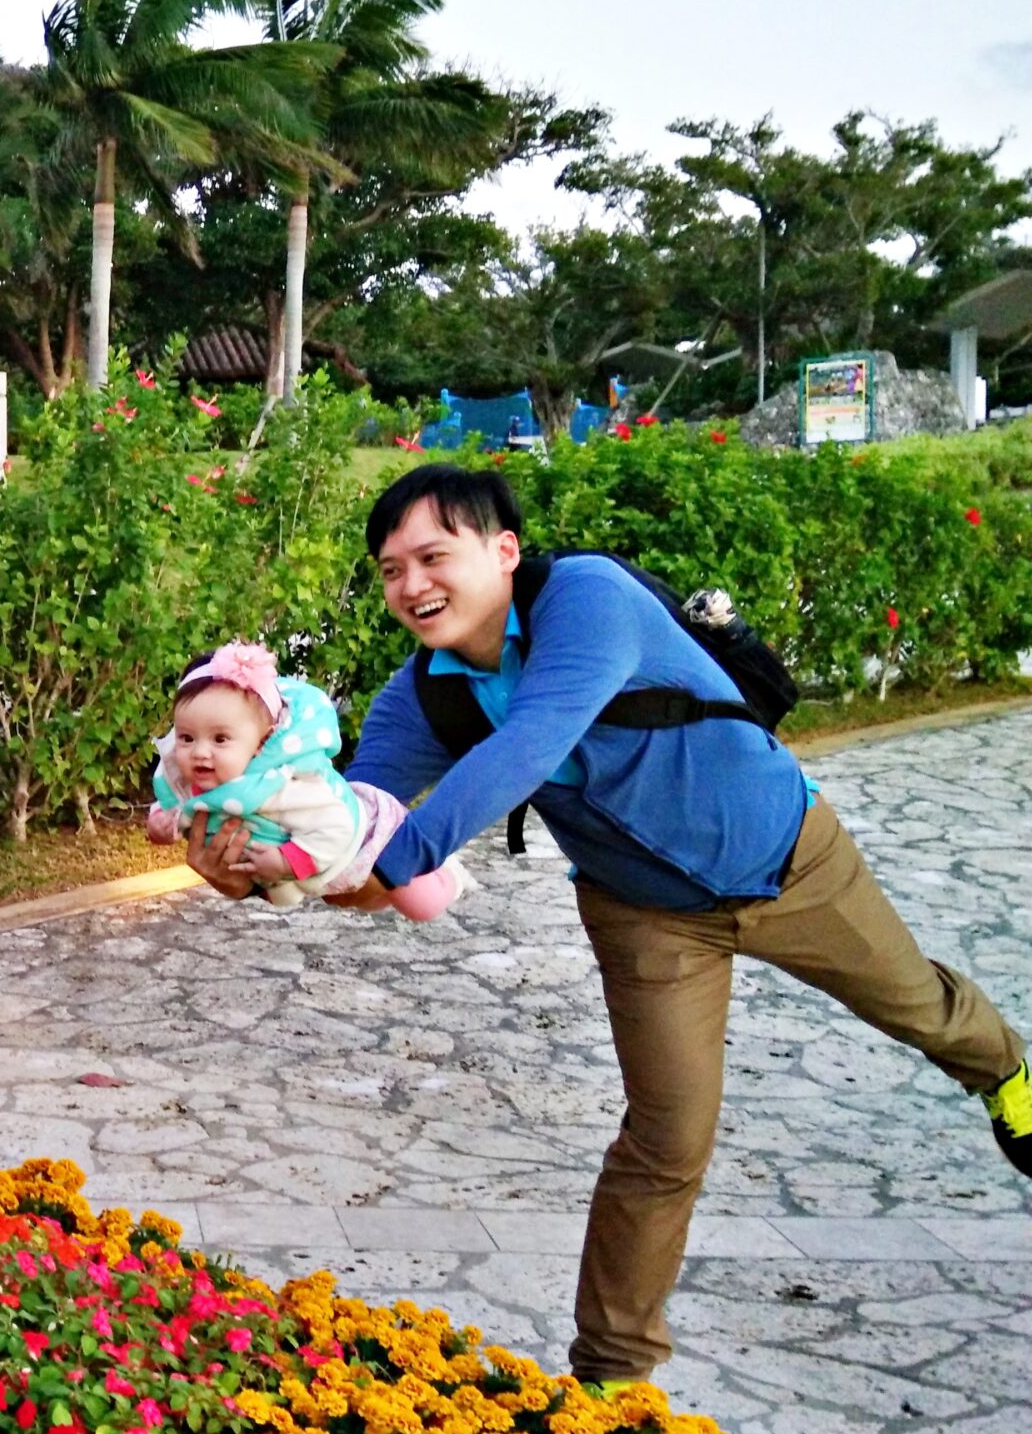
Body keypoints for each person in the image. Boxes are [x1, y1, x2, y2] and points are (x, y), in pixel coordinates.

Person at [185, 463, 1032, 1386]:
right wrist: (267, 869)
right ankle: (611, 1380)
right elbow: (356, 828)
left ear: (503, 551)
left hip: (788, 859)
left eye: (434, 556)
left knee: (919, 1007)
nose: (412, 585)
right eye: (391, 570)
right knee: (667, 1140)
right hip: (646, 914)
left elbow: (529, 745)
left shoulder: (590, 597)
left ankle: (1010, 1076)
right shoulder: (423, 693)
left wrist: (385, 860)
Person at [143, 640, 471, 918]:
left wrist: (287, 861)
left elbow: (337, 826)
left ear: (261, 742)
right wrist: (161, 823)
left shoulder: (287, 788)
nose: (200, 752)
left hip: (365, 846)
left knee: (421, 904)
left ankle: (448, 871)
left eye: (220, 739)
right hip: (326, 879)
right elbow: (173, 801)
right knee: (369, 901)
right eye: (187, 738)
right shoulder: (187, 774)